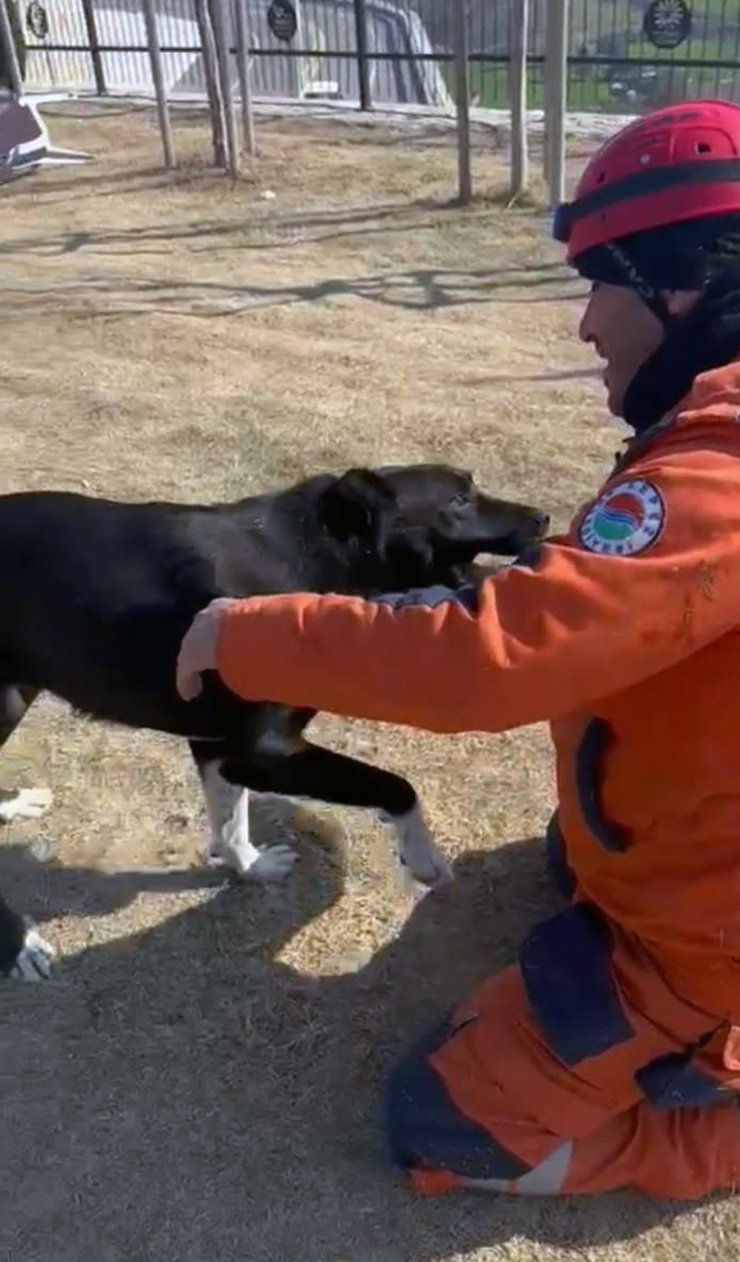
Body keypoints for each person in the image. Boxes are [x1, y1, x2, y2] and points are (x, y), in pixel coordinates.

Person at [176, 100, 740, 1199]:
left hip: (705, 935)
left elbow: (490, 654)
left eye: (597, 283)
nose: (585, 325)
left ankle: (709, 1116)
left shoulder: (720, 467)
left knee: (442, 1127)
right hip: (686, 845)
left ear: (683, 287)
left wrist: (247, 633)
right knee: (563, 859)